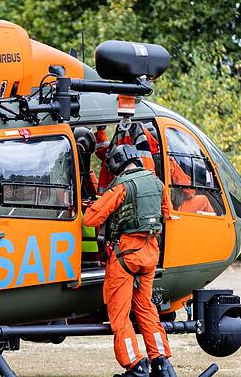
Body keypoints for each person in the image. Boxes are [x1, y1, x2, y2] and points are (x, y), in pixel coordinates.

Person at [84, 144, 177, 377]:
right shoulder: (157, 183)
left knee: (120, 315)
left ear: (116, 165)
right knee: (146, 308)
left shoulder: (122, 186)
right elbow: (167, 213)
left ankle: (135, 365)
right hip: (150, 254)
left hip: (125, 256)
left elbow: (90, 219)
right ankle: (161, 362)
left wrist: (96, 204)